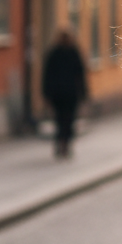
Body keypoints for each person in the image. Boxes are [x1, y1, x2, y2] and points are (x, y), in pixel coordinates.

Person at [41, 28, 87, 158]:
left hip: (64, 94)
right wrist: (83, 93)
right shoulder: (67, 53)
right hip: (65, 94)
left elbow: (80, 74)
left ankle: (63, 144)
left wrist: (46, 93)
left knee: (64, 120)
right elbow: (48, 75)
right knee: (64, 120)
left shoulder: (60, 53)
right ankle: (63, 144)